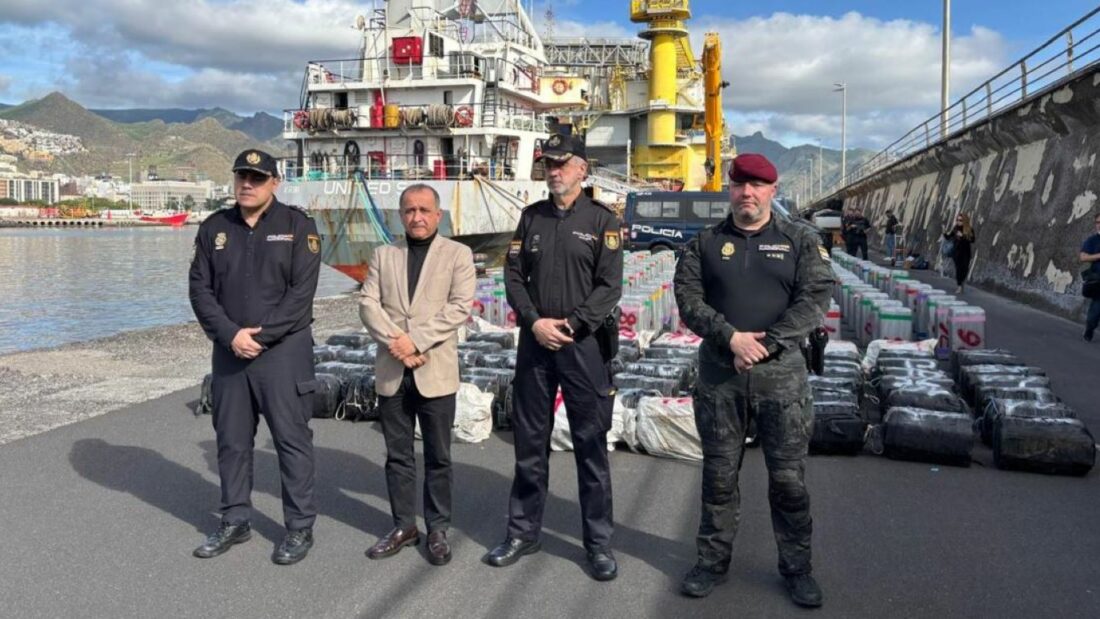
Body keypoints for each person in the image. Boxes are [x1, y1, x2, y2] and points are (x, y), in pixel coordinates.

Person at [673, 153, 834, 607]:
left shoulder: (799, 240)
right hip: (721, 377)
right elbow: (687, 298)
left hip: (780, 379)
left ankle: (797, 569)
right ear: (730, 189)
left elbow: (815, 298)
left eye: (758, 185)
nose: (748, 193)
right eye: (740, 184)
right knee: (719, 477)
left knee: (788, 481)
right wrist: (731, 338)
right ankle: (710, 562)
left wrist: (767, 344)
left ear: (772, 191)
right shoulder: (704, 243)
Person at [486, 132, 624, 581]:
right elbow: (512, 275)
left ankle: (598, 544)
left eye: (563, 163)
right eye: (548, 164)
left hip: (583, 346)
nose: (554, 170)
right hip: (536, 343)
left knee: (590, 446)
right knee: (529, 444)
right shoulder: (531, 218)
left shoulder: (603, 221)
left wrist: (573, 324)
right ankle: (523, 532)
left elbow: (610, 287)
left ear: (582, 168)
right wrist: (533, 321)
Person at [188, 149, 321, 565]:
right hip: (230, 354)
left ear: (275, 183)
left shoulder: (298, 226)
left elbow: (302, 294)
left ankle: (299, 528)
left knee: (291, 441)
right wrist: (230, 335)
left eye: (257, 178)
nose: (247, 184)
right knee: (231, 442)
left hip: (283, 353)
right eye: (241, 176)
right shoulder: (214, 228)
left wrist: (260, 338)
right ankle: (235, 519)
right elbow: (199, 290)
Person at [359, 184, 476, 565]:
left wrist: (416, 342)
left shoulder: (458, 255)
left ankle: (438, 528)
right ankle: (403, 525)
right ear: (400, 215)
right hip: (393, 368)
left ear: (437, 215)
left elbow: (459, 308)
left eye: (425, 210)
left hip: (435, 368)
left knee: (438, 455)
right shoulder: (383, 255)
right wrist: (399, 342)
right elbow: (368, 303)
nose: (417, 217)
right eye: (409, 210)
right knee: (398, 455)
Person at [1079, 213, 1100, 341]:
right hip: (1099, 281)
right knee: (1095, 313)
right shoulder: (1092, 240)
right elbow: (1083, 257)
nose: (1099, 225)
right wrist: (1098, 256)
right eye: (1098, 222)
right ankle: (1089, 328)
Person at [944, 213, 976, 293]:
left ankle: (961, 283)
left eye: (960, 220)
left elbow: (972, 240)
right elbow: (949, 237)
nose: (958, 221)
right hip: (957, 252)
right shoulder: (955, 228)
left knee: (965, 269)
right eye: (957, 220)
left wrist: (963, 236)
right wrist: (944, 233)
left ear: (964, 221)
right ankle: (959, 286)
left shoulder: (969, 229)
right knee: (958, 269)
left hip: (966, 253)